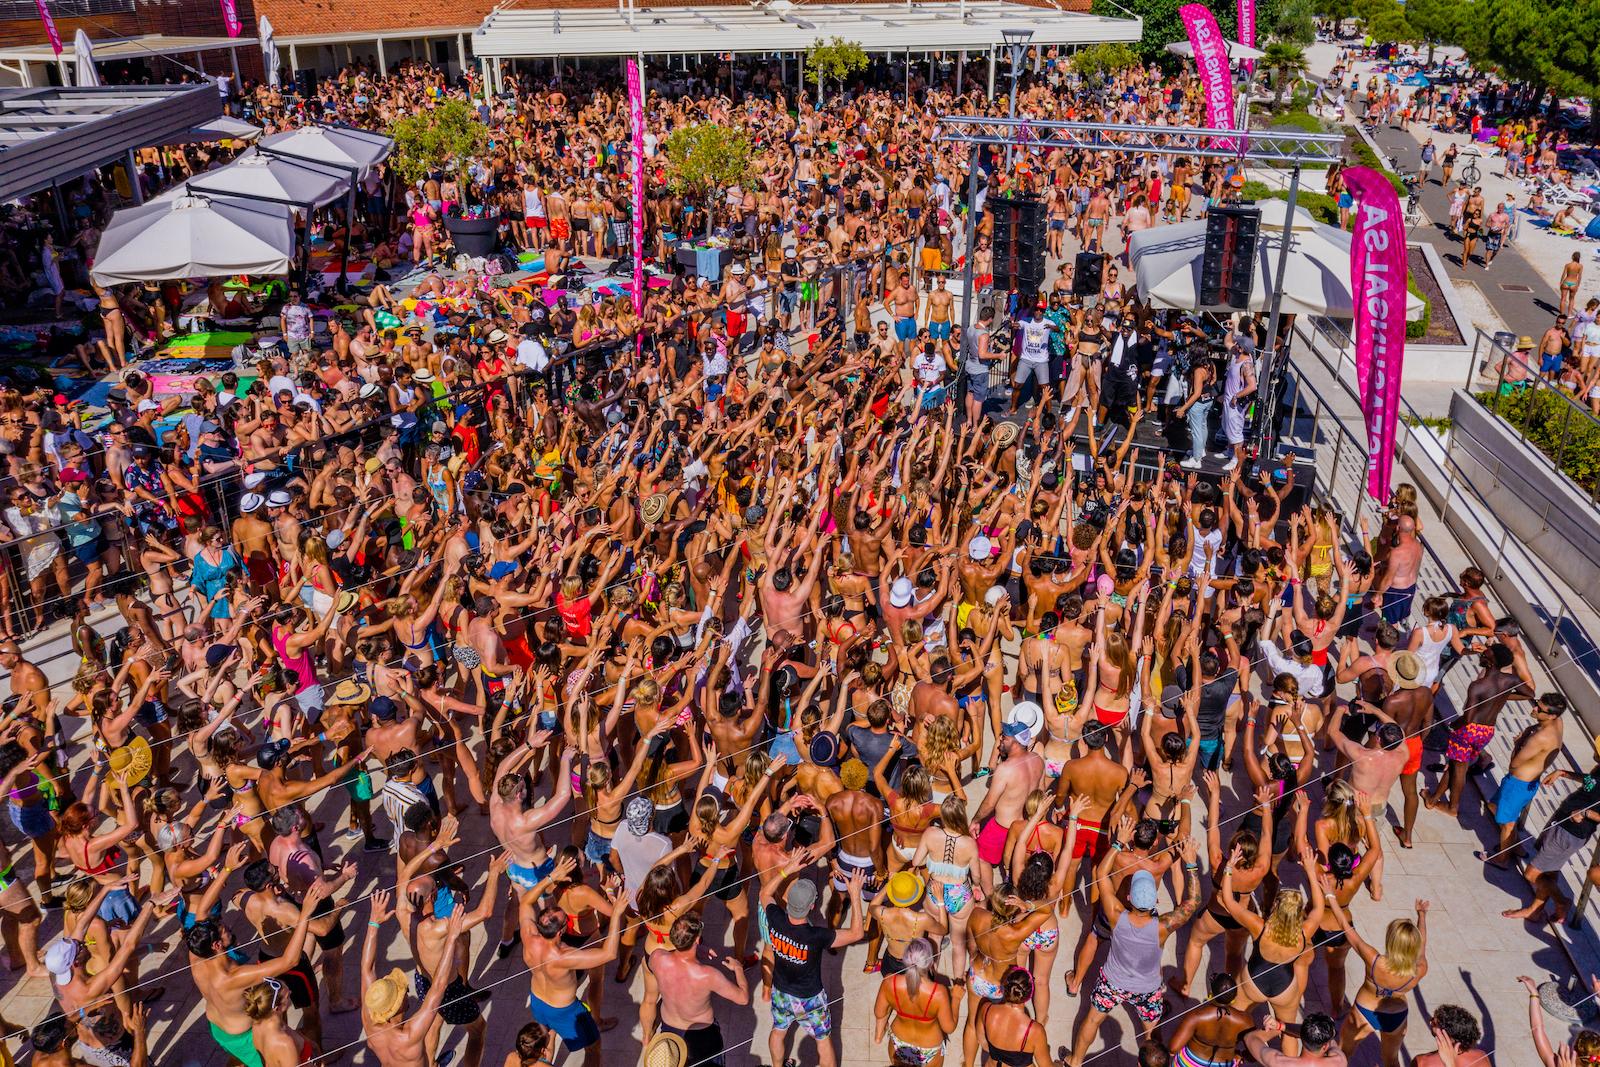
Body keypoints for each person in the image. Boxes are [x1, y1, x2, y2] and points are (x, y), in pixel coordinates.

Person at [1067, 838, 1200, 1066]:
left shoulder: (1115, 915)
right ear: (1155, 900)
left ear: (1129, 898)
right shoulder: (1163, 927)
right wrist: (1191, 864)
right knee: (1152, 1033)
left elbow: (1101, 874)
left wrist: (1118, 843)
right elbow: (1194, 901)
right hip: (1148, 988)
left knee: (1092, 1020)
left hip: (1113, 982)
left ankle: (1075, 1060)